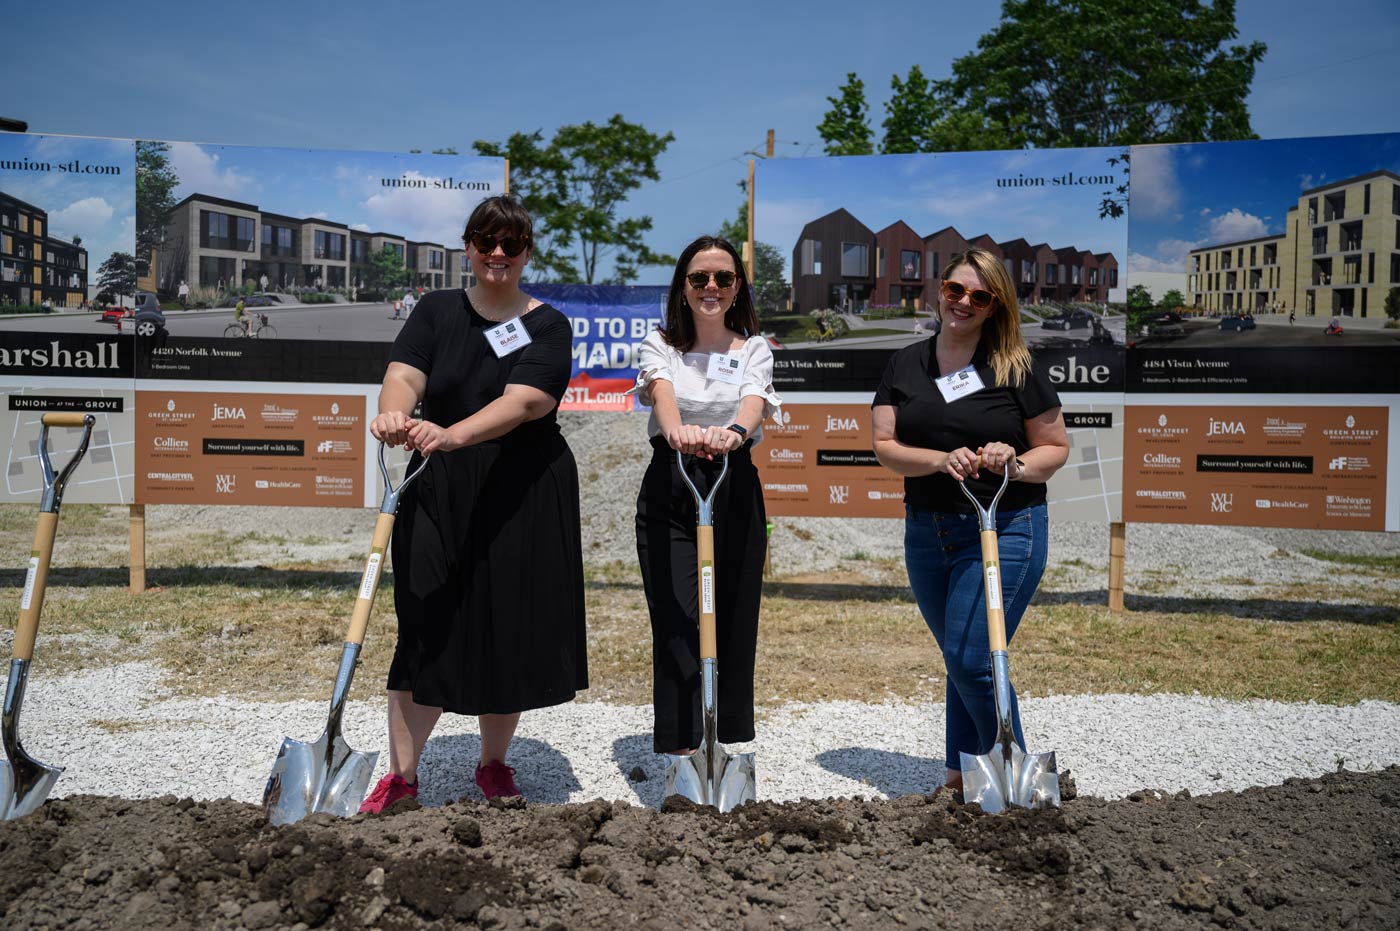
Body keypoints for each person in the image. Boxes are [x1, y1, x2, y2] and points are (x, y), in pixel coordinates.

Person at [359, 195, 587, 812]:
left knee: (504, 624)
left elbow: (525, 403)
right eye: (486, 241)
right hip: (438, 487)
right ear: (467, 246)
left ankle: (493, 765)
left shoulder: (548, 325)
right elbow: (405, 373)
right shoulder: (436, 310)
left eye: (511, 244)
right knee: (424, 621)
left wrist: (452, 433)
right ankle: (403, 778)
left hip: (522, 491)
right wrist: (395, 411)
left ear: (526, 253)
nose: (497, 254)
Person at [870, 247, 1069, 799]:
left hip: (1004, 525)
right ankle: (962, 776)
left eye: (978, 296)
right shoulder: (905, 364)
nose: (963, 303)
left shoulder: (1015, 367)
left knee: (971, 656)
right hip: (928, 531)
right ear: (939, 291)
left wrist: (1015, 462)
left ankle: (1016, 776)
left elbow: (1055, 449)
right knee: (960, 657)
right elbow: (885, 445)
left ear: (994, 306)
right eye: (955, 290)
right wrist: (937, 461)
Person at [633, 235, 781, 757]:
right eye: (699, 279)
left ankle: (722, 738)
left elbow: (754, 402)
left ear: (738, 287)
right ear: (684, 287)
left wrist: (734, 434)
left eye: (723, 278)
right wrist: (677, 432)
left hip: (732, 480)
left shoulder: (754, 349)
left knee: (734, 616)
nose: (711, 288)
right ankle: (679, 745)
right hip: (672, 481)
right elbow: (662, 394)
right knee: (677, 617)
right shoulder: (660, 344)